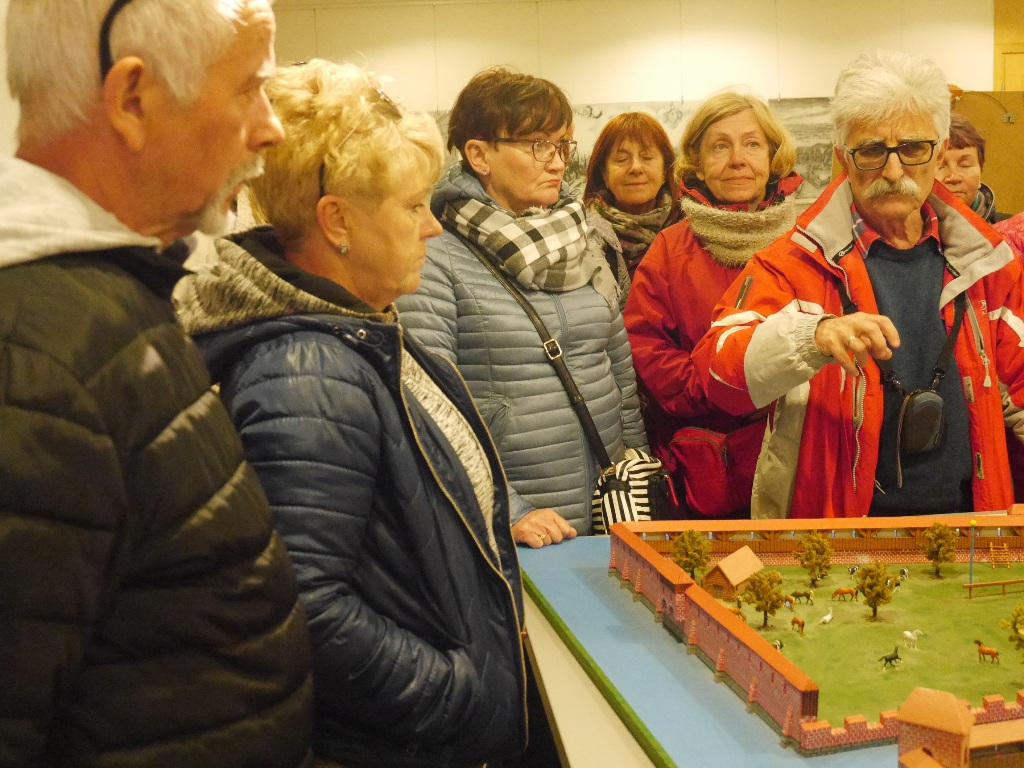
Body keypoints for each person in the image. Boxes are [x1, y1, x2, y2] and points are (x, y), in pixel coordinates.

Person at [175, 60, 530, 768]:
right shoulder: (306, 370)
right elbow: (301, 604)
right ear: (337, 221)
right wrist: (459, 693)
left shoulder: (362, 330)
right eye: (412, 206)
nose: (432, 227)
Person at [0, 1, 314, 766]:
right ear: (133, 100)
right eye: (249, 89)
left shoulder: (100, 308)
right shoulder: (42, 361)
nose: (270, 128)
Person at [692, 50, 1024, 519]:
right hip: (840, 536)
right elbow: (717, 374)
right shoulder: (793, 263)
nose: (893, 172)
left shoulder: (986, 262)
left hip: (971, 530)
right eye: (870, 152)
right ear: (842, 158)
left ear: (940, 150)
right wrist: (810, 337)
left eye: (913, 149)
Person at [395, 67, 648, 544]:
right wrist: (506, 509)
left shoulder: (583, 236)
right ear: (478, 155)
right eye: (538, 145)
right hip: (518, 526)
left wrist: (636, 464)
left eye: (563, 145)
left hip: (609, 508)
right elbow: (427, 406)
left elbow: (617, 368)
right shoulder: (436, 256)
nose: (557, 163)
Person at [623, 92, 802, 519]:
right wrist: (728, 387)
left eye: (752, 144)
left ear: (773, 158)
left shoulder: (806, 243)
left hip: (803, 459)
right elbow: (647, 349)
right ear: (698, 164)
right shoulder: (670, 250)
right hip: (708, 471)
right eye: (720, 146)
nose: (738, 159)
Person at [583, 111, 680, 292]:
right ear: (604, 174)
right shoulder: (582, 236)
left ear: (665, 171)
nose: (635, 167)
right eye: (622, 159)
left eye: (647, 157)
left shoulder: (687, 235)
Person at [937, 112, 1009, 223]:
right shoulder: (909, 232)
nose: (954, 177)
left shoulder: (1009, 230)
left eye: (965, 165)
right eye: (940, 166)